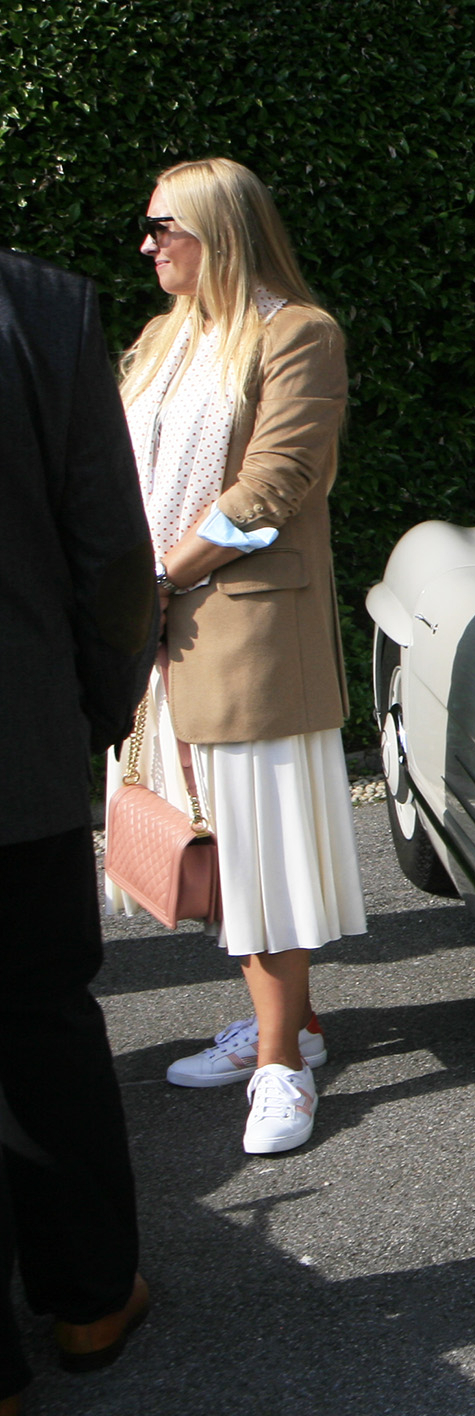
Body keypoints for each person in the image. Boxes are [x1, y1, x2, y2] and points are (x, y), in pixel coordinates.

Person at [111, 157, 365, 1155]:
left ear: (218, 232)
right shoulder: (163, 339)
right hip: (165, 626)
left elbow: (277, 481)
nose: (148, 244)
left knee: (261, 853)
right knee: (216, 846)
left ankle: (281, 1065)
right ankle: (293, 1025)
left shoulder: (298, 332)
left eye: (163, 226)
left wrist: (160, 575)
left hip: (247, 632)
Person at [0, 248, 158, 1411]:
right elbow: (110, 553)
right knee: (43, 1020)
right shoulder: (40, 309)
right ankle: (90, 1296)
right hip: (19, 747)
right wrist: (96, 710)